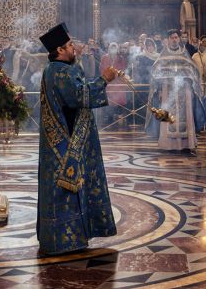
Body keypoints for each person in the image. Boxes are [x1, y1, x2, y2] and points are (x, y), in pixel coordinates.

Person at [36, 23, 118, 255]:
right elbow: (79, 95)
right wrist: (104, 79)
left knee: (68, 189)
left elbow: (77, 85)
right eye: (70, 45)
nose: (75, 48)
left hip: (65, 138)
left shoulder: (56, 69)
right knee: (67, 189)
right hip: (66, 141)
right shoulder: (59, 72)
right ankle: (65, 241)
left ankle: (70, 238)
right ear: (60, 50)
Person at [147, 29, 201, 151]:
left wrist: (191, 85)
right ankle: (168, 144)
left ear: (179, 39)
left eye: (176, 37)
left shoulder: (185, 54)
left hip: (184, 90)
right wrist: (160, 90)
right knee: (167, 114)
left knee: (186, 116)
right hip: (168, 90)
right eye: (172, 37)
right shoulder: (163, 55)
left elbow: (193, 72)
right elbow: (155, 74)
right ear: (168, 40)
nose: (174, 39)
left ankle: (187, 144)